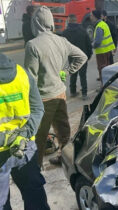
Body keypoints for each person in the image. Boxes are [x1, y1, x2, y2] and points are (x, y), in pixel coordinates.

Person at [25, 6, 87, 166]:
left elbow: (31, 78)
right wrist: (66, 71)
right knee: (63, 130)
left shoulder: (33, 45)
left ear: (36, 23)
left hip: (43, 98)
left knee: (39, 137)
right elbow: (82, 56)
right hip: (60, 93)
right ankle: (66, 160)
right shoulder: (61, 40)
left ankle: (36, 170)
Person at [0, 53, 50, 210]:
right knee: (34, 194)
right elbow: (37, 109)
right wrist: (23, 134)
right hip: (25, 147)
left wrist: (7, 139)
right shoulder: (22, 73)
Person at [62, 14, 93, 100]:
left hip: (72, 57)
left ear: (69, 21)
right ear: (76, 20)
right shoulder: (83, 31)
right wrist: (89, 55)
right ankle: (84, 94)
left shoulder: (65, 33)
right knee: (83, 76)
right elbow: (88, 45)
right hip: (82, 57)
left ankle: (72, 92)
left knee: (73, 74)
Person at [90, 10, 116, 85]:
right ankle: (108, 84)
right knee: (106, 68)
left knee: (102, 69)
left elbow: (97, 42)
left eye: (91, 15)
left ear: (95, 17)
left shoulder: (99, 27)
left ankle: (104, 86)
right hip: (107, 50)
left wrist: (91, 46)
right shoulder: (103, 24)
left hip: (102, 52)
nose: (90, 17)